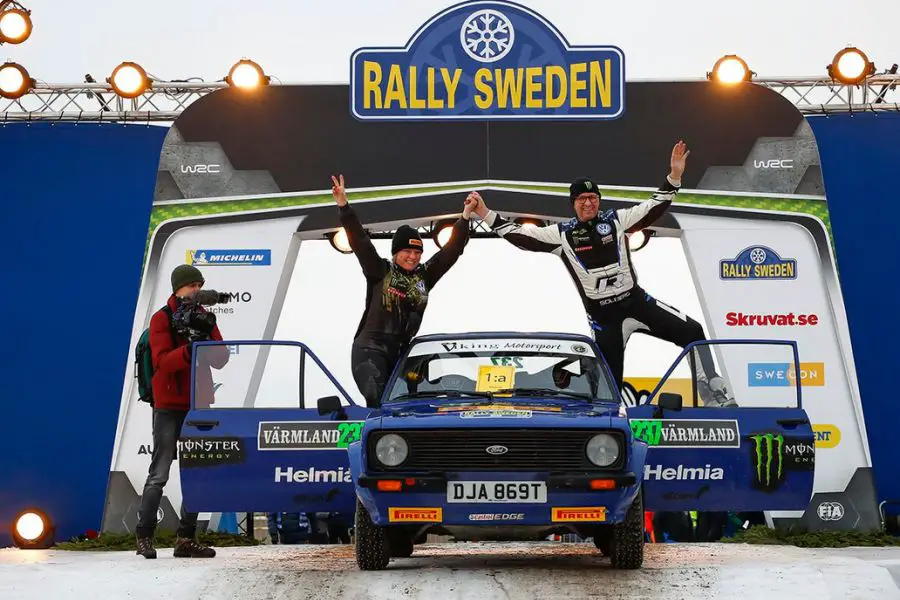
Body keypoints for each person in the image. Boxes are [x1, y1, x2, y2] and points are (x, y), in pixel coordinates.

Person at [469, 141, 735, 407]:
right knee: (608, 389)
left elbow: (653, 206)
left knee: (693, 331)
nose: (588, 203)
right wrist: (485, 213)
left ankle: (713, 394)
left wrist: (674, 176)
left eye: (593, 198)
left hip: (638, 304)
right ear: (573, 204)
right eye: (582, 199)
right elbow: (522, 236)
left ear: (599, 200)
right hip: (604, 320)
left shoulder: (616, 221)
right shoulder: (563, 234)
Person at [332, 174, 476, 407]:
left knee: (410, 404)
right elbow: (360, 241)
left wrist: (466, 216)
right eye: (407, 251)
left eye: (417, 252)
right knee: (377, 400)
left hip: (402, 354)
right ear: (396, 252)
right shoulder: (380, 271)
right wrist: (343, 206)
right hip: (370, 350)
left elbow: (452, 251)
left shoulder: (424, 276)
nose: (412, 256)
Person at [135, 264, 230, 559]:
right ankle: (144, 537)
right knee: (159, 473)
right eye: (191, 286)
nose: (196, 290)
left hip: (198, 404)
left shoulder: (203, 317)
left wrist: (203, 340)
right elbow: (162, 361)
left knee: (198, 473)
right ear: (178, 288)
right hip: (168, 405)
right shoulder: (162, 318)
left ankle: (185, 540)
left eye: (199, 285)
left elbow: (222, 358)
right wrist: (191, 349)